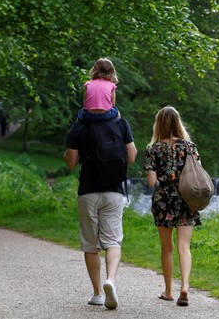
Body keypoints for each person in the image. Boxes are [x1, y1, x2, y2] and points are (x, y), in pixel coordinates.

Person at [63, 113, 136, 310]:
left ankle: (97, 294)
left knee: (90, 244)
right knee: (113, 241)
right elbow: (132, 156)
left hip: (88, 192)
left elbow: (70, 162)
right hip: (114, 192)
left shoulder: (79, 125)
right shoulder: (121, 123)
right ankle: (110, 280)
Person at [144, 106, 202, 307]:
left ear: (158, 124)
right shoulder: (189, 147)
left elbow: (152, 182)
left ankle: (168, 291)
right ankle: (184, 286)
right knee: (184, 247)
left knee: (167, 248)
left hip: (163, 200)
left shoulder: (153, 149)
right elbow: (197, 173)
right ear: (178, 123)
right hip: (187, 199)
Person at [77, 58, 120, 123]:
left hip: (89, 115)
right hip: (105, 115)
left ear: (94, 70)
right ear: (112, 71)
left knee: (80, 113)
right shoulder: (112, 85)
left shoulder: (88, 84)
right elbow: (113, 104)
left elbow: (84, 102)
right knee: (117, 112)